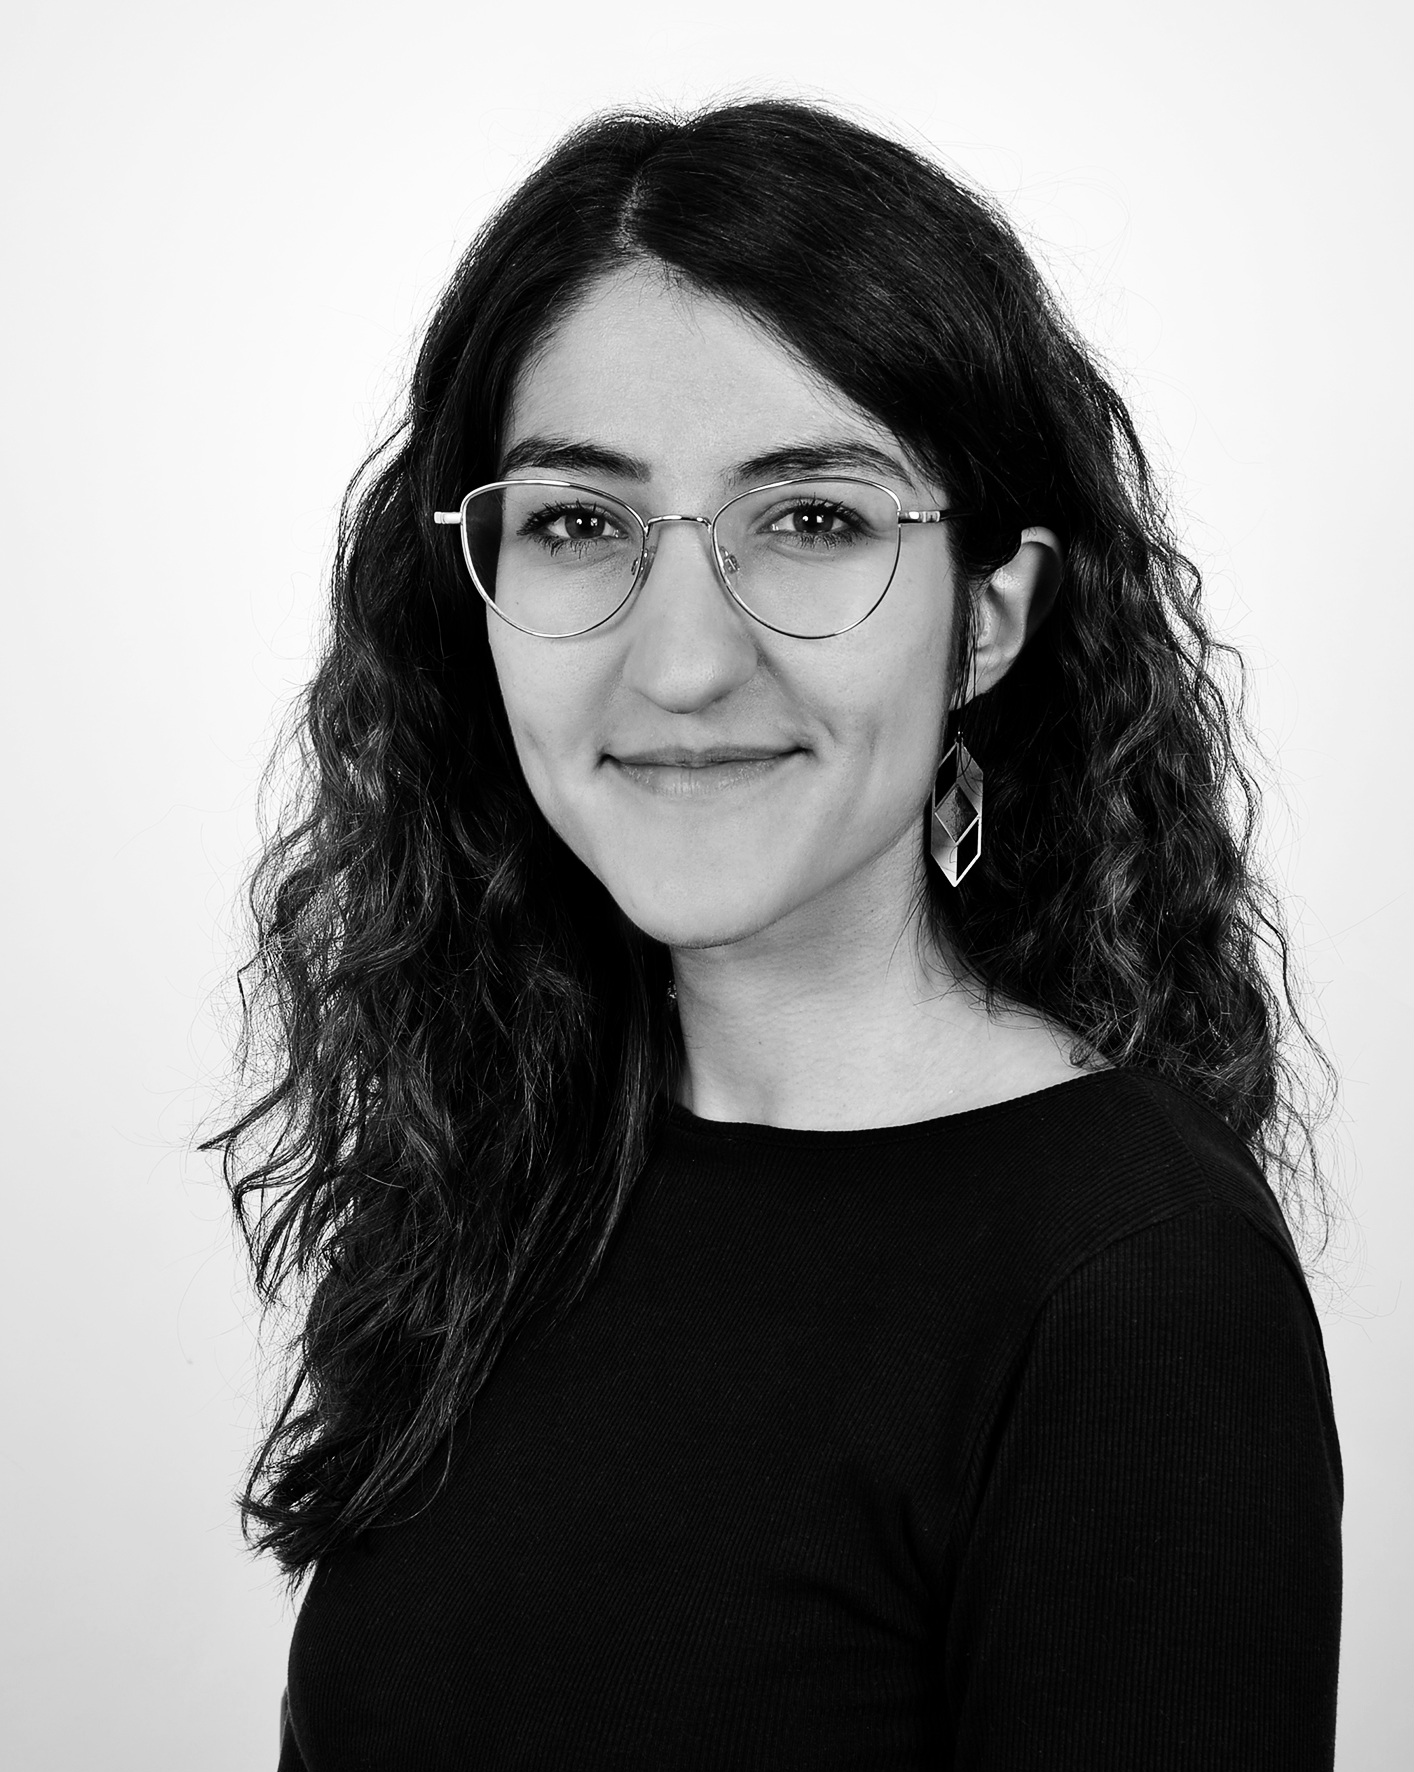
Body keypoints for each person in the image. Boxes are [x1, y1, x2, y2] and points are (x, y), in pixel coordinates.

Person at [211, 100, 1342, 1770]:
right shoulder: (501, 1159)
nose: (680, 663)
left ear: (987, 619)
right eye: (577, 522)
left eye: (811, 520)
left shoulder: (1131, 1287)